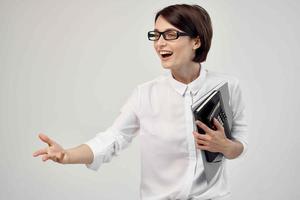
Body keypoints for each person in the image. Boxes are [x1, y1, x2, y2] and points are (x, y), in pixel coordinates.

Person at [33, 4, 247, 200]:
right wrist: (68, 155)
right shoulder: (145, 95)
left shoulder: (228, 86)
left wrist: (225, 146)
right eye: (156, 35)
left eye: (171, 34)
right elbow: (113, 138)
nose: (160, 43)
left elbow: (240, 145)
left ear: (196, 41)